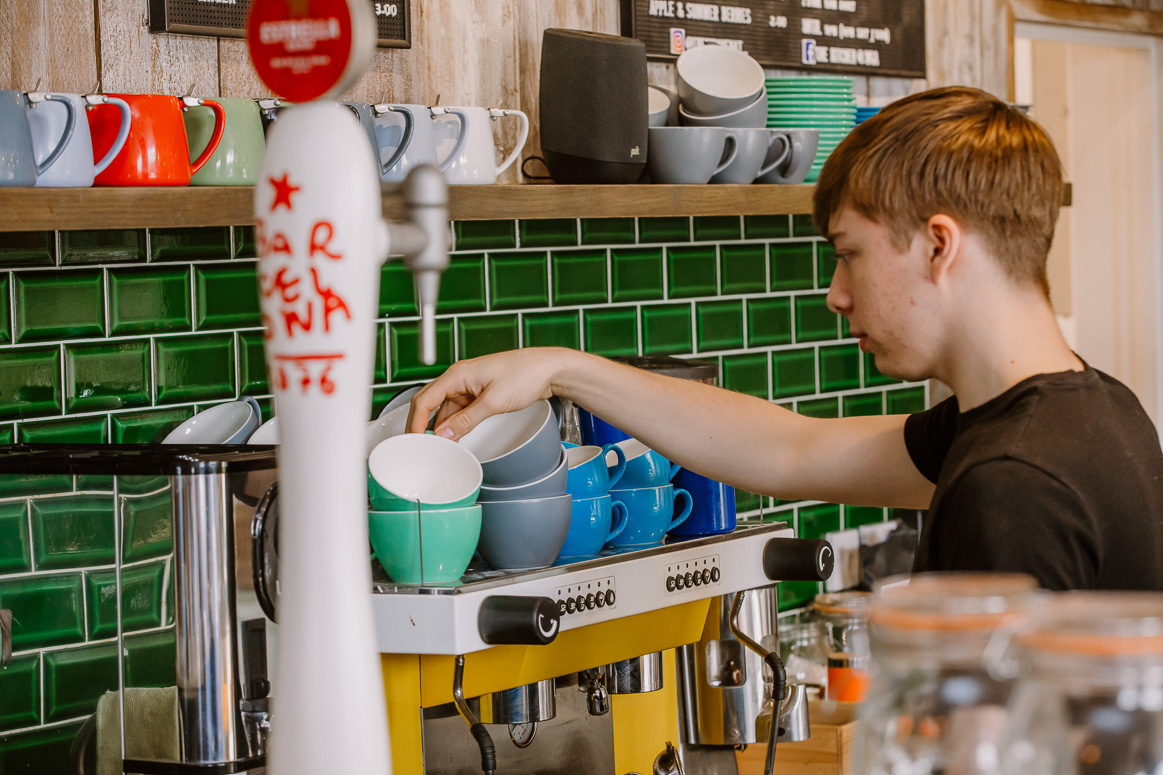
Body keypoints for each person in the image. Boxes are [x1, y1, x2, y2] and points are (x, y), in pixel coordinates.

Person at [407, 86, 1163, 592]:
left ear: (940, 246)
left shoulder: (1011, 486)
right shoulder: (1092, 413)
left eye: (849, 253)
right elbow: (789, 450)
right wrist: (560, 369)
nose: (836, 294)